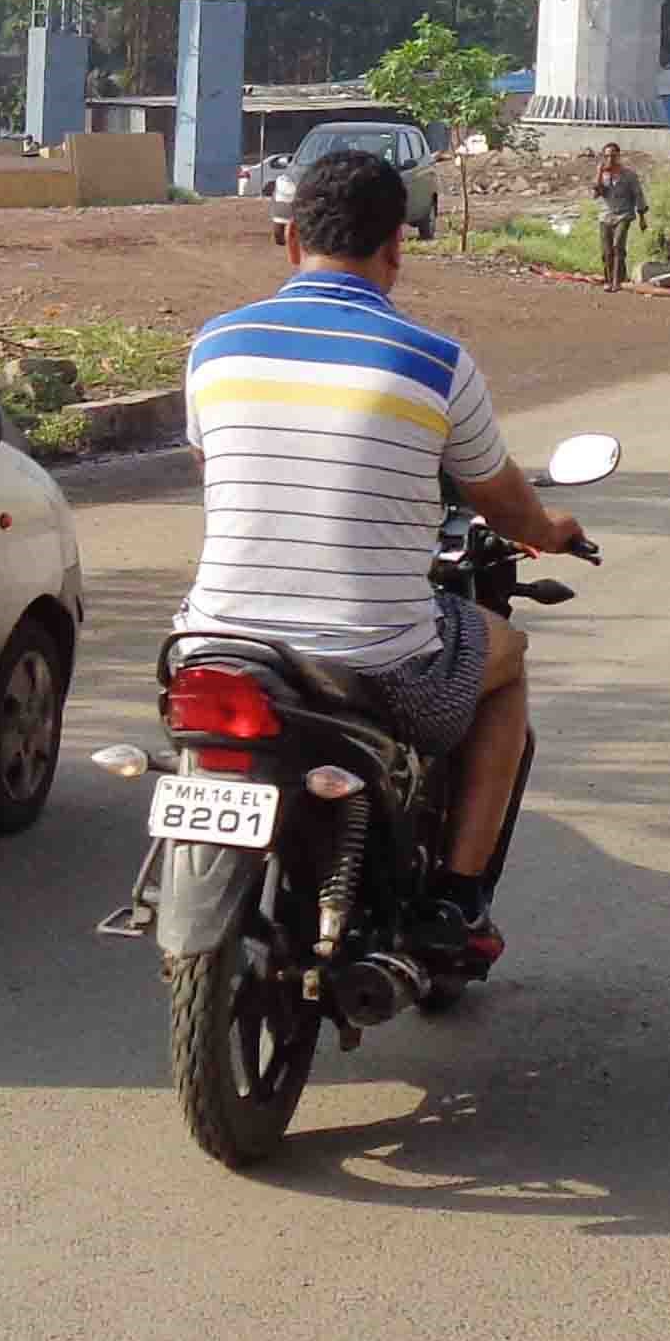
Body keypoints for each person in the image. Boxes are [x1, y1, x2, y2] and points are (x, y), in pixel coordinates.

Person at [179, 149, 588, 973]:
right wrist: (548, 528)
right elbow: (502, 501)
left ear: (290, 240)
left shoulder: (214, 345)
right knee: (507, 660)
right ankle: (459, 897)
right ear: (397, 247)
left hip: (212, 649)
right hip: (369, 662)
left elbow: (215, 468)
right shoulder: (434, 363)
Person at [589, 140, 647, 288]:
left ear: (618, 156)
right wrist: (599, 173)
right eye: (607, 156)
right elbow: (596, 194)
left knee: (617, 245)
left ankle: (617, 281)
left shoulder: (628, 175)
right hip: (605, 215)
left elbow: (638, 195)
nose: (610, 160)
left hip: (623, 214)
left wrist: (642, 217)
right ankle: (609, 280)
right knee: (606, 250)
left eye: (613, 156)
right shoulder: (602, 175)